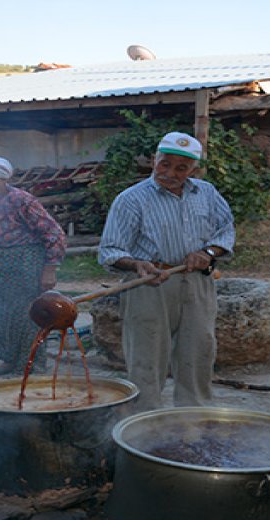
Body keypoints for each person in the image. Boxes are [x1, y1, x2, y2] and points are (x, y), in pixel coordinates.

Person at [98, 132, 235, 411]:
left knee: (198, 351)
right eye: (164, 164)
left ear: (193, 170)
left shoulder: (206, 193)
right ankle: (144, 420)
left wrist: (207, 253)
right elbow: (110, 249)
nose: (170, 173)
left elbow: (225, 232)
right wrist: (137, 264)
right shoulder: (131, 199)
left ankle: (193, 418)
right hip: (149, 284)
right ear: (153, 160)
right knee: (146, 356)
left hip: (197, 283)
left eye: (181, 168)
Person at [0, 156, 67, 376]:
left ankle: (32, 366)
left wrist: (49, 269)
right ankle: (9, 359)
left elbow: (54, 234)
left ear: (3, 180)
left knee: (25, 317)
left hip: (24, 260)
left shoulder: (22, 201)